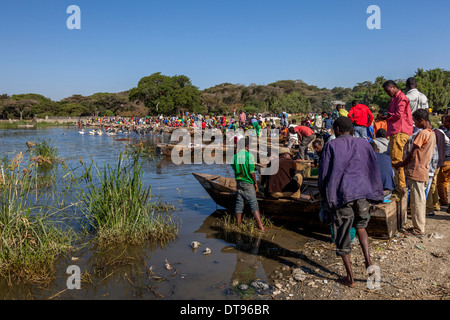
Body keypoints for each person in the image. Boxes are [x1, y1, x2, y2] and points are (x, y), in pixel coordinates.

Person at [318, 116, 384, 288]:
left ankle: (350, 278)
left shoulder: (330, 145)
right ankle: (369, 265)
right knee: (361, 227)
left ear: (338, 130)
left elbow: (323, 175)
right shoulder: (363, 143)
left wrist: (324, 199)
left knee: (343, 234)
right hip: (362, 193)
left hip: (342, 195)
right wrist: (374, 193)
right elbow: (372, 167)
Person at [393, 109, 436, 236]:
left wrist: (401, 164)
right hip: (423, 171)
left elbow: (413, 153)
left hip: (417, 170)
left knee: (417, 201)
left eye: (415, 121)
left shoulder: (422, 133)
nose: (415, 124)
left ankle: (418, 229)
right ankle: (419, 227)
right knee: (420, 200)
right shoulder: (431, 133)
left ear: (421, 120)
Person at [383, 80, 414, 194]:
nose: (387, 93)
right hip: (397, 131)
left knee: (396, 160)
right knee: (398, 160)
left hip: (399, 131)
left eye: (388, 91)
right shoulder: (396, 98)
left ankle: (400, 187)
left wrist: (387, 116)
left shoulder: (401, 98)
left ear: (394, 87)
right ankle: (400, 185)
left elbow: (399, 114)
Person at [231, 136, 265, 231]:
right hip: (248, 182)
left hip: (239, 182)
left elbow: (234, 169)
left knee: (239, 203)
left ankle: (238, 225)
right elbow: (251, 172)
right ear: (246, 146)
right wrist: (255, 183)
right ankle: (260, 226)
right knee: (253, 203)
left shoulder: (235, 156)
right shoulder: (249, 156)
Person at [437, 116, 450, 208]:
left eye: (445, 121)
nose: (443, 122)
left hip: (447, 160)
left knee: (441, 182)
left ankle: (444, 200)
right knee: (446, 181)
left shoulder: (447, 134)